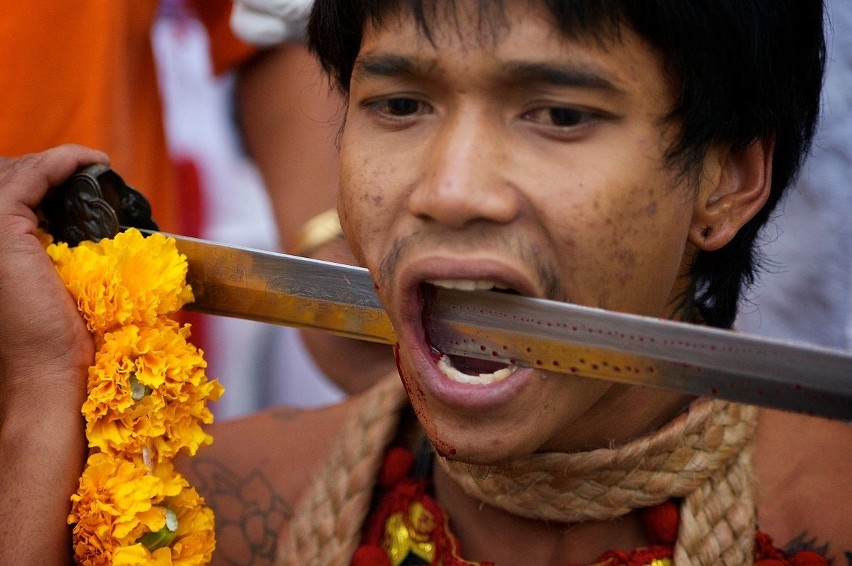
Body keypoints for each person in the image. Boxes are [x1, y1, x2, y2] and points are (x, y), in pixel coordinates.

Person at [1, 2, 847, 566]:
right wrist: (43, 397)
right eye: (400, 105)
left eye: (559, 114)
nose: (449, 190)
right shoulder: (218, 510)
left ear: (727, 181)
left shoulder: (830, 511)